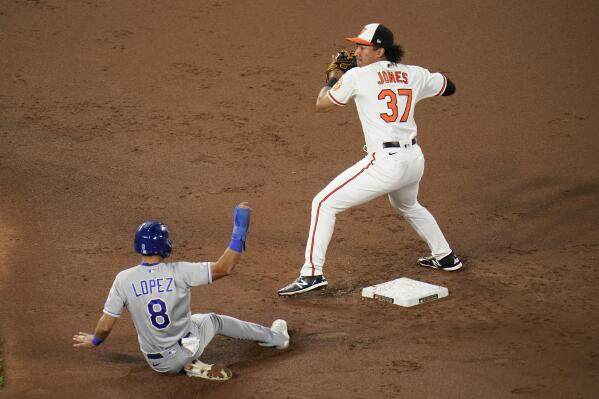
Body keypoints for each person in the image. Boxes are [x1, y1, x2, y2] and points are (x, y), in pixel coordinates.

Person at [278, 23, 462, 296]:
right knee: (408, 204)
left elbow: (322, 104)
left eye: (363, 47)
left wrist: (334, 77)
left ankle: (312, 274)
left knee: (323, 204)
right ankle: (445, 256)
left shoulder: (357, 77)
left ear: (380, 51)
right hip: (413, 160)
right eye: (357, 45)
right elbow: (450, 88)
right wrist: (405, 80)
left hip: (386, 163)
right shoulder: (415, 74)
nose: (357, 51)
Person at [73, 203, 289, 380]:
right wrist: (240, 230)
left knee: (190, 323)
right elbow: (225, 267)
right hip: (185, 348)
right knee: (214, 321)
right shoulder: (180, 272)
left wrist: (95, 341)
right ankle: (277, 339)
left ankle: (191, 366)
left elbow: (106, 325)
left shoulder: (123, 279)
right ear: (165, 245)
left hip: (156, 362)